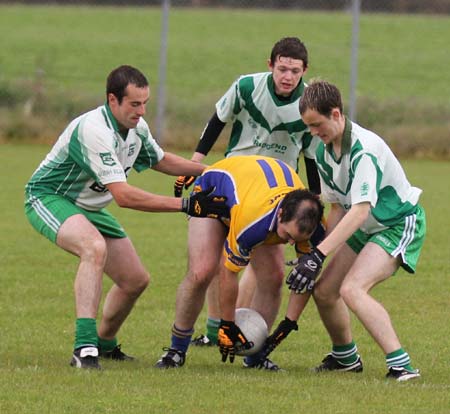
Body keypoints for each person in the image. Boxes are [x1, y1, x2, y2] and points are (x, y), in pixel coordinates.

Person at [24, 65, 228, 370]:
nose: (141, 111)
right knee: (93, 248)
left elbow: (160, 160)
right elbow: (125, 196)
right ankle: (85, 348)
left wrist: (213, 171)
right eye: (134, 104)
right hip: (51, 197)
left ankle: (105, 343)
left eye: (145, 103)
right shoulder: (94, 130)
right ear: (112, 100)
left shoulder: (136, 127)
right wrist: (187, 204)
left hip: (89, 205)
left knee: (135, 280)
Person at [173, 37, 322, 353]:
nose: (287, 76)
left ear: (305, 70)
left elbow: (311, 156)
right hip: (232, 182)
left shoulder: (308, 104)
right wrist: (194, 163)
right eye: (282, 69)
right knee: (209, 267)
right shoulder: (246, 88)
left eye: (295, 71)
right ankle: (203, 336)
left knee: (271, 274)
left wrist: (314, 201)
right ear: (270, 65)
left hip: (278, 197)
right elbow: (218, 121)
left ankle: (254, 352)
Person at [278, 80, 425, 381]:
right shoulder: (322, 153)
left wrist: (319, 254)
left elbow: (360, 209)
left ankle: (402, 366)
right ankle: (345, 357)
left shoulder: (363, 150)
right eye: (308, 127)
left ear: (335, 114)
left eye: (317, 125)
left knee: (352, 289)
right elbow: (336, 208)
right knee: (325, 291)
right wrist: (314, 252)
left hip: (397, 223)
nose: (313, 133)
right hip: (365, 226)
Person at [155, 155, 324, 370]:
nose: (290, 243)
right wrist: (227, 325)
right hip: (214, 194)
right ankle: (176, 350)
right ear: (280, 214)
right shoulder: (253, 222)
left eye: (296, 240)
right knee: (202, 271)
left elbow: (305, 279)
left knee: (273, 277)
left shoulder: (314, 225)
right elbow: (228, 272)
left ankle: (255, 357)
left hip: (252, 192)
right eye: (287, 235)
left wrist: (287, 325)